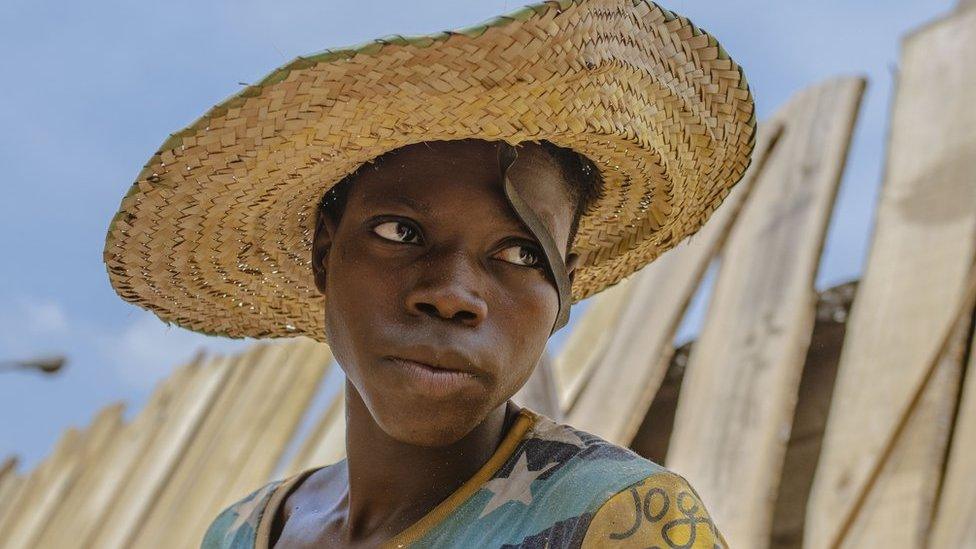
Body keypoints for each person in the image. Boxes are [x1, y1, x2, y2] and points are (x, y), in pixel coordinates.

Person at [103, 1, 755, 547]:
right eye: (400, 232)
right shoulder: (241, 533)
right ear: (323, 253)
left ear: (565, 291)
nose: (451, 294)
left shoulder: (612, 519)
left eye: (523, 254)